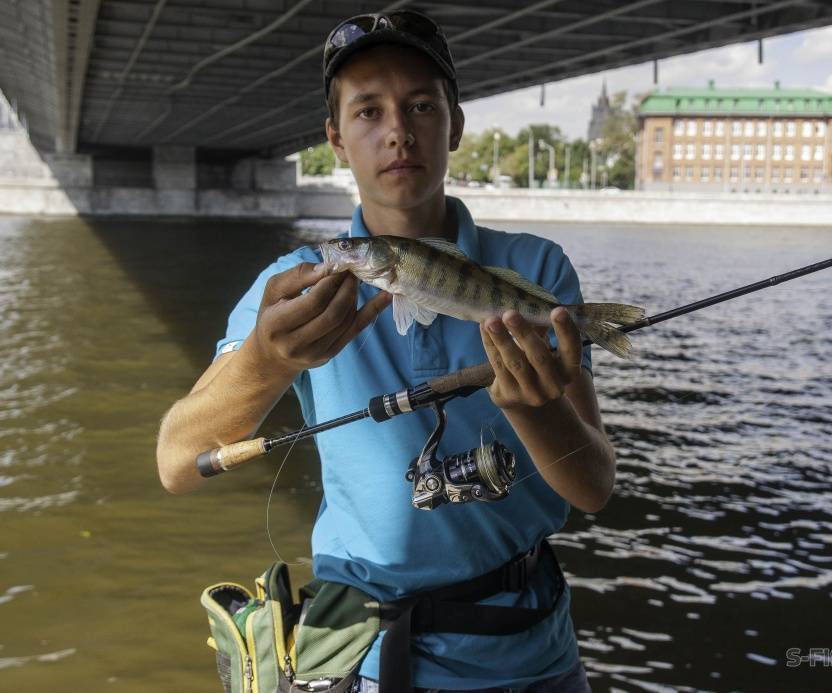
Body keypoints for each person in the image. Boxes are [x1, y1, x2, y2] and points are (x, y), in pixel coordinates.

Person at [156, 9, 616, 692]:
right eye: (368, 111)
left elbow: (594, 486)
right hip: (361, 658)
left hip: (527, 657)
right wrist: (266, 359)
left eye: (420, 105)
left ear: (454, 124)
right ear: (336, 139)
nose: (397, 130)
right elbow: (174, 462)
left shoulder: (538, 272)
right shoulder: (292, 288)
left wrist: (539, 411)